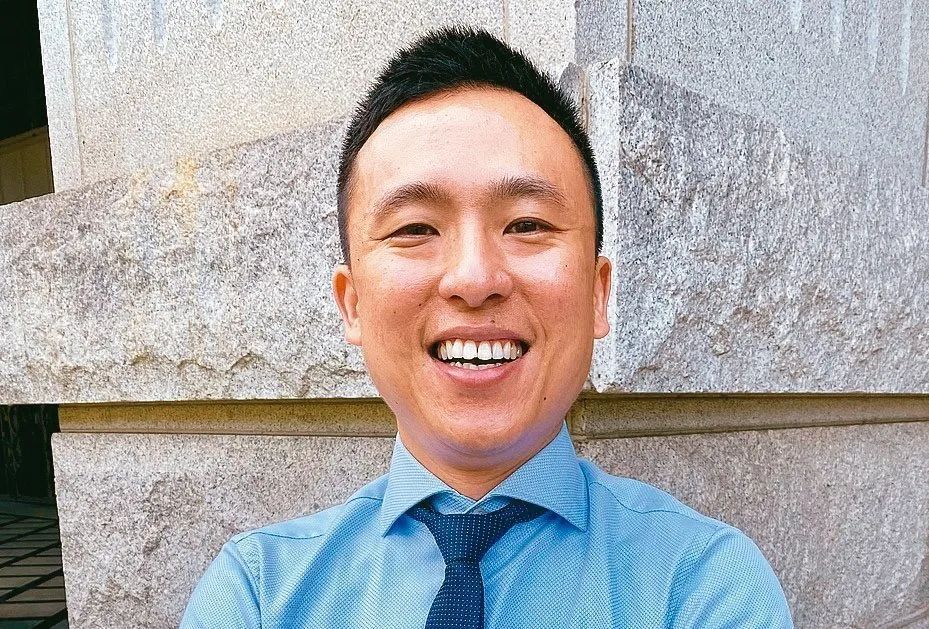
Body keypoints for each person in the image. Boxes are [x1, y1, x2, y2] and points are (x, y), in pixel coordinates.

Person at [181, 25, 793, 628]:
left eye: (527, 224)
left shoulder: (704, 584)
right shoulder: (256, 593)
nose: (474, 279)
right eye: (415, 229)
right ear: (353, 304)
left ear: (598, 294)